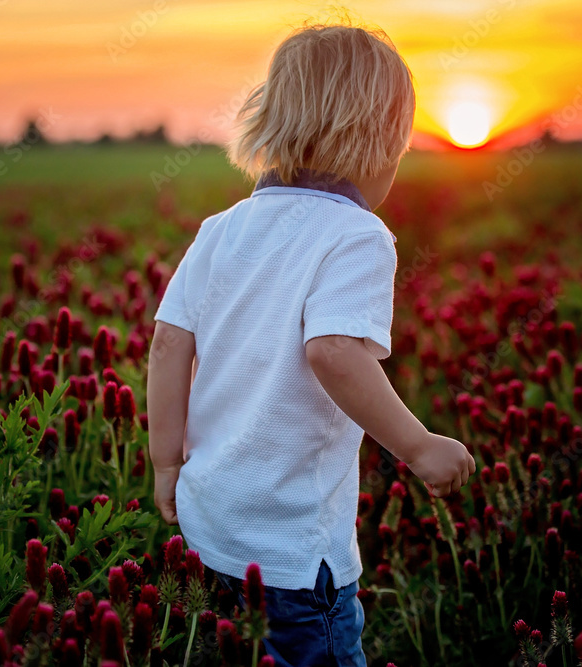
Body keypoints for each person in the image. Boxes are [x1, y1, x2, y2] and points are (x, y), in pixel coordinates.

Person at [146, 22, 476, 666]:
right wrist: (417, 445)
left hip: (208, 526)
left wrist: (166, 463)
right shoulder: (357, 235)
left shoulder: (220, 229)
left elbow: (167, 344)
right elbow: (333, 352)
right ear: (380, 144)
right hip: (293, 553)